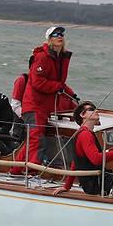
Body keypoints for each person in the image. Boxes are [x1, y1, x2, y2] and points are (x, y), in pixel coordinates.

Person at [11, 25, 78, 172]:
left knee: (32, 140)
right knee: (36, 141)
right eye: (55, 34)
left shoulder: (60, 58)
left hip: (44, 107)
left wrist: (71, 95)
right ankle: (33, 174)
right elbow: (38, 82)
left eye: (61, 34)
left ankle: (14, 171)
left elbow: (60, 83)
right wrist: (57, 87)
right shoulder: (42, 57)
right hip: (34, 106)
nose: (59, 36)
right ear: (49, 39)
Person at [59, 101, 113, 195]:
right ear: (82, 115)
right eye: (91, 109)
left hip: (96, 182)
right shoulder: (85, 135)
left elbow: (76, 162)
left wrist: (67, 186)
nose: (97, 111)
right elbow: (96, 159)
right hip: (97, 184)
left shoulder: (85, 133)